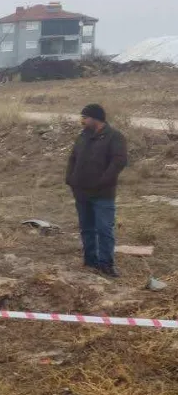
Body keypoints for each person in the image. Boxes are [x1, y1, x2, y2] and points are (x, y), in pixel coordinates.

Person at [66, 104, 128, 277]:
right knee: (86, 228)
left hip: (102, 194)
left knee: (104, 229)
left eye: (85, 117)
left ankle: (106, 265)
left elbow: (119, 162)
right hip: (81, 192)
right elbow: (73, 158)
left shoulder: (114, 137)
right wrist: (70, 178)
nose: (82, 121)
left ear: (95, 118)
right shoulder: (83, 136)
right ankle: (90, 262)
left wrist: (102, 182)